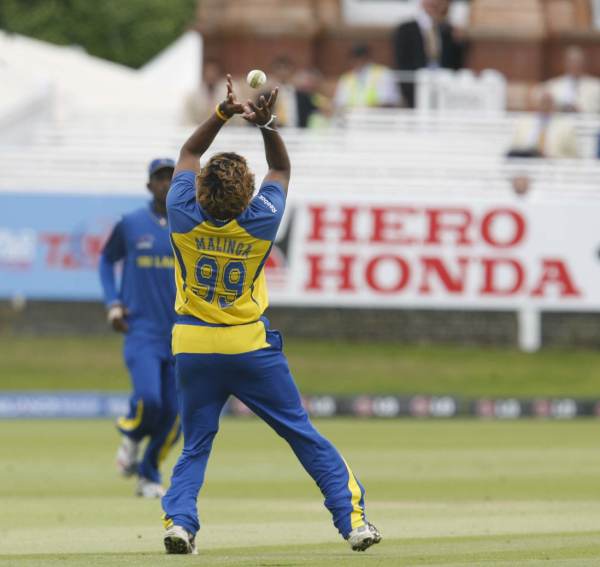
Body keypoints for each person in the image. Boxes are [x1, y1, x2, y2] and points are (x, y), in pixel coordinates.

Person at [160, 76, 381, 555]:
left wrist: (222, 113)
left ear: (200, 190)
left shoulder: (180, 211)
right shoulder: (260, 220)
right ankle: (354, 523)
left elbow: (187, 153)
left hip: (194, 344)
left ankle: (180, 522)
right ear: (247, 195)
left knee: (196, 445)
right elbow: (280, 167)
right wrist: (267, 124)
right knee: (301, 434)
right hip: (247, 344)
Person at [99, 158, 181, 498]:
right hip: (142, 330)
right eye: (159, 178)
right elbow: (106, 260)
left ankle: (148, 475)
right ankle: (131, 434)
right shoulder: (132, 223)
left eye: (171, 178)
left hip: (182, 333)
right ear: (149, 185)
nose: (165, 184)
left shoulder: (193, 224)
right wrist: (113, 304)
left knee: (175, 417)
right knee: (150, 399)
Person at [393, 0, 466, 108]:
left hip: (443, 88)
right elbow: (402, 64)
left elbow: (456, 64)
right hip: (416, 87)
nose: (434, 4)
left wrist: (458, 42)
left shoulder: (448, 31)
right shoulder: (405, 30)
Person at [507, 90, 578, 159]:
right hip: (527, 164)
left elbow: (575, 156)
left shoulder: (566, 127)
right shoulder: (523, 123)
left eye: (548, 102)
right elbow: (514, 148)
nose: (545, 105)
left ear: (554, 104)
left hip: (553, 165)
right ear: (537, 103)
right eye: (543, 102)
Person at [333, 44, 400, 111]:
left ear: (367, 59)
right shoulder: (347, 78)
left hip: (377, 117)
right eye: (354, 60)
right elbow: (339, 104)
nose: (357, 63)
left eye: (360, 59)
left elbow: (389, 102)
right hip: (351, 118)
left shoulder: (384, 74)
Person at [545, 46, 600, 114]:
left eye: (578, 61)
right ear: (565, 63)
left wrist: (579, 109)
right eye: (571, 61)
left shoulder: (596, 85)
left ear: (584, 63)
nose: (575, 65)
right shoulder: (552, 85)